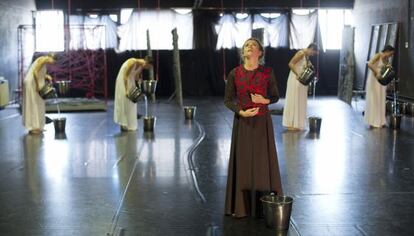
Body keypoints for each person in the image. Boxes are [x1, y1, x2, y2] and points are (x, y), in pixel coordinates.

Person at [224, 38, 283, 218]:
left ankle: (262, 206)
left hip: (262, 123)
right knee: (243, 163)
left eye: (254, 45)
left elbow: (275, 96)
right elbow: (227, 100)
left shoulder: (267, 72)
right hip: (243, 123)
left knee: (262, 164)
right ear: (243, 52)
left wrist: (264, 101)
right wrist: (240, 112)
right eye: (247, 45)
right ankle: (241, 206)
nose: (249, 47)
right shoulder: (235, 73)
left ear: (260, 53)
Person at [282, 43, 318, 130]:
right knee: (294, 99)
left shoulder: (306, 56)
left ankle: (297, 123)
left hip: (301, 80)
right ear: (311, 49)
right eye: (313, 53)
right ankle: (291, 123)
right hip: (295, 79)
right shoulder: (301, 53)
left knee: (300, 100)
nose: (312, 55)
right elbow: (290, 64)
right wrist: (298, 74)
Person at [114, 56, 152, 131]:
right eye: (148, 67)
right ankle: (123, 124)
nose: (147, 68)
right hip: (123, 81)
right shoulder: (133, 62)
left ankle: (130, 125)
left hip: (131, 82)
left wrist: (139, 80)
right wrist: (127, 89)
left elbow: (135, 77)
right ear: (146, 62)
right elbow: (125, 76)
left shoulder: (141, 66)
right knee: (124, 102)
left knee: (132, 103)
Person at [22, 54, 55, 134]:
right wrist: (37, 85)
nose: (53, 63)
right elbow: (35, 72)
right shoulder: (42, 60)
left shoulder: (43, 62)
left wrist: (47, 76)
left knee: (39, 103)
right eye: (53, 61)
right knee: (33, 104)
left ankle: (38, 126)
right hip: (31, 83)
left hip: (34, 83)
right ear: (51, 57)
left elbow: (40, 73)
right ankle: (33, 127)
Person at [364, 45, 395, 128]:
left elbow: (387, 69)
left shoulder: (386, 59)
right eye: (390, 54)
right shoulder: (378, 55)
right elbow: (369, 64)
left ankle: (381, 121)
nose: (391, 56)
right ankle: (374, 122)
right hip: (374, 80)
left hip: (381, 81)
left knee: (381, 100)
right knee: (375, 100)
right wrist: (377, 72)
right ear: (387, 51)